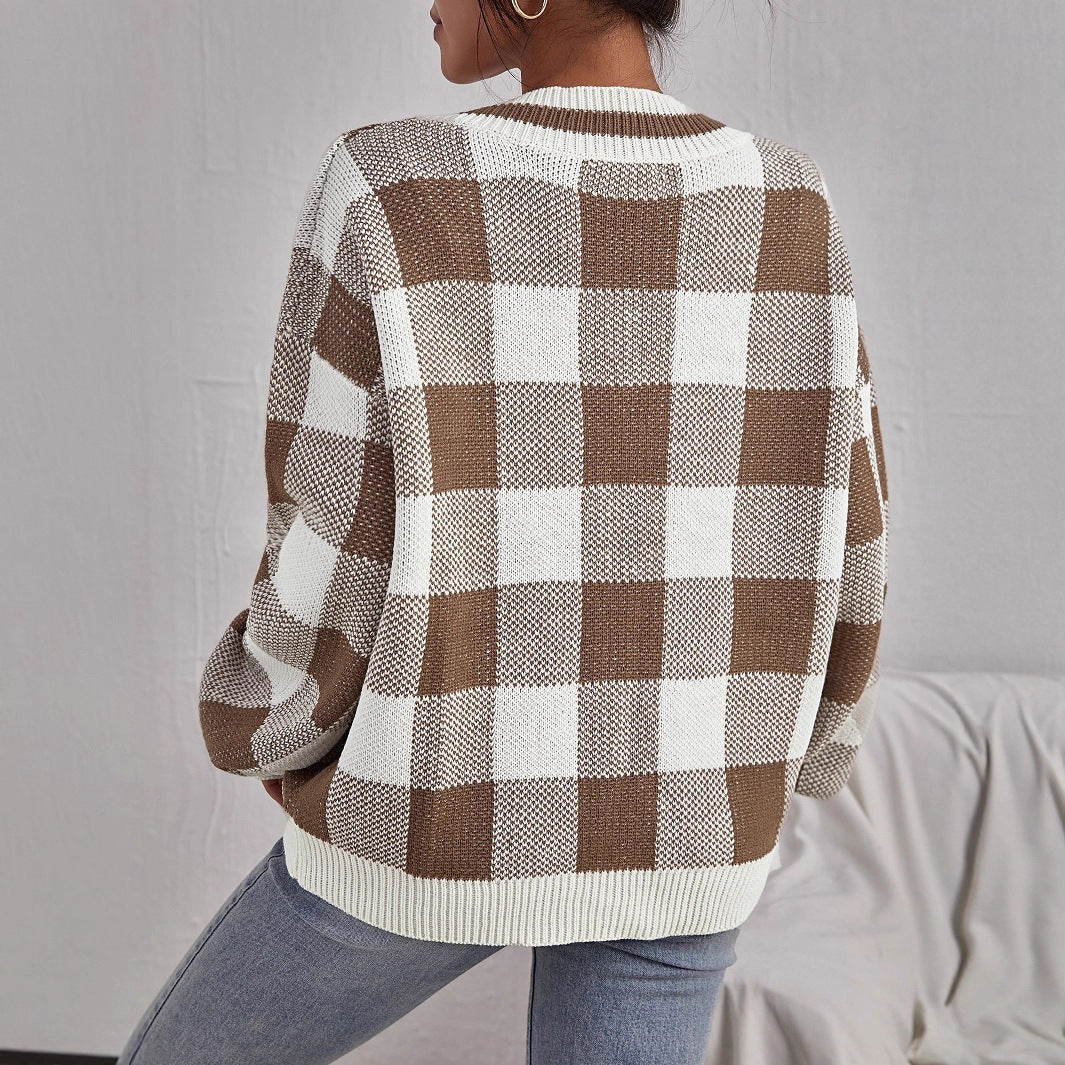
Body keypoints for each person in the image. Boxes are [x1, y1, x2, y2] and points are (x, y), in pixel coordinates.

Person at [118, 0, 889, 1061]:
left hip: (436, 805)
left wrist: (278, 719)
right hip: (697, 816)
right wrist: (812, 745)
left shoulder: (393, 184)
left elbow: (334, 521)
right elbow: (847, 527)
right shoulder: (791, 201)